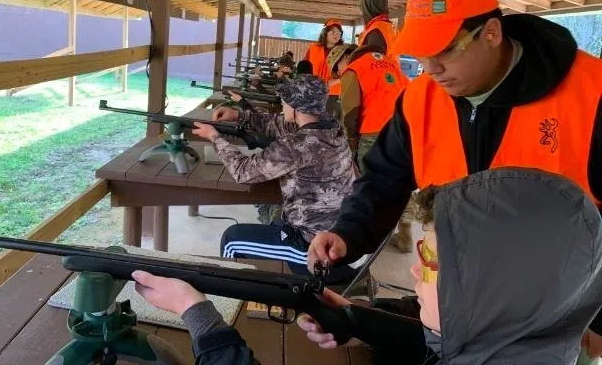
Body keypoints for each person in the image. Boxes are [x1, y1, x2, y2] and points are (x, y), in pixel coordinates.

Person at [308, 0, 602, 356]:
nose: (430, 69)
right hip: (455, 304)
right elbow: (383, 178)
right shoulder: (421, 100)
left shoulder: (591, 94)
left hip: (559, 326)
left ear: (492, 33)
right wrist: (348, 232)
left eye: (445, 50)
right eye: (423, 54)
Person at [132, 167, 602, 364]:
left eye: (432, 262)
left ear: (495, 288)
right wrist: (358, 322)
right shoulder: (517, 339)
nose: (415, 272)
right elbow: (450, 342)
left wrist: (199, 317)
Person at [191, 75, 359, 282]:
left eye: (285, 100)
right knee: (274, 222)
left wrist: (215, 138)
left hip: (311, 247)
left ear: (297, 107)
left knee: (232, 240)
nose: (282, 104)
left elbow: (243, 172)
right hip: (332, 231)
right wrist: (238, 115)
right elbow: (278, 124)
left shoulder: (296, 146)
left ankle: (228, 300)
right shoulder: (332, 129)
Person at [341, 0, 412, 252]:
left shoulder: (357, 66)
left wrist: (349, 142)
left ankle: (367, 237)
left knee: (371, 185)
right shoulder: (393, 66)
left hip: (372, 132)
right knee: (400, 181)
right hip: (399, 127)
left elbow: (350, 113)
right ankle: (404, 233)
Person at [324, 43, 355, 121]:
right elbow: (325, 84)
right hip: (333, 98)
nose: (348, 59)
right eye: (345, 57)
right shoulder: (340, 75)